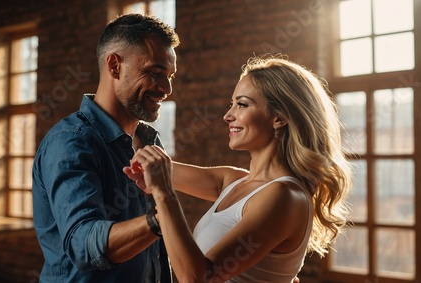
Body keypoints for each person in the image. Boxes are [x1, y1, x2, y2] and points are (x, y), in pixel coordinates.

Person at [124, 55, 352, 282]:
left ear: (279, 118)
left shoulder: (285, 196)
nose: (227, 116)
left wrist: (164, 195)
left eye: (242, 104)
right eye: (231, 104)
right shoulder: (233, 181)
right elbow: (151, 167)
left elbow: (198, 279)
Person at [32, 14, 180, 282]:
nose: (167, 88)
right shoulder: (71, 142)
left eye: (170, 76)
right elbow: (84, 246)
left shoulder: (149, 141)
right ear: (114, 66)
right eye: (155, 73)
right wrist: (162, 218)